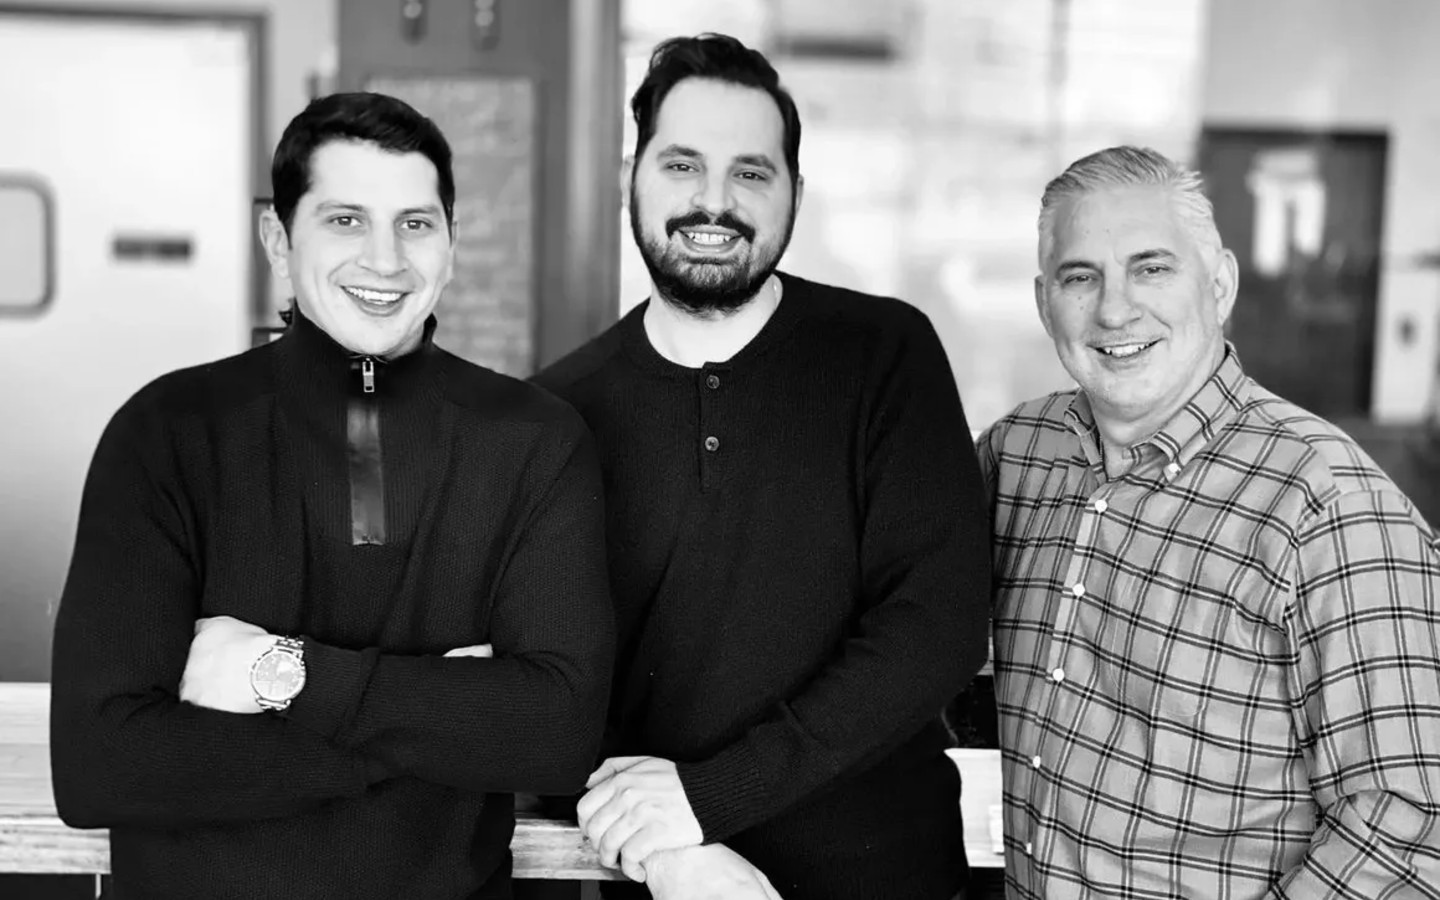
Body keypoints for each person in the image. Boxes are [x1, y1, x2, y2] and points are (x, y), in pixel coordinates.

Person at [49, 91, 614, 899]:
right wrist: (443, 729)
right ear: (278, 240)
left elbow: (557, 737)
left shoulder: (536, 441)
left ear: (451, 244)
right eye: (345, 220)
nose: (385, 260)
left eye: (415, 223)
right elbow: (100, 765)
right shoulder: (167, 431)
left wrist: (280, 675)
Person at [534, 33, 991, 900]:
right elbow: (548, 691)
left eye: (750, 172)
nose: (715, 201)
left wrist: (711, 799)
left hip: (892, 879)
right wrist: (675, 854)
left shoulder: (884, 355)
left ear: (795, 195)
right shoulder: (557, 414)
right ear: (631, 178)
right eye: (682, 165)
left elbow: (937, 628)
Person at [980, 145, 1440, 898]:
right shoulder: (1018, 453)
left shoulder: (1326, 503)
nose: (1115, 309)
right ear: (1043, 302)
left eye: (1152, 268)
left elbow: (1407, 826)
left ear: (1219, 284)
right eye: (1079, 277)